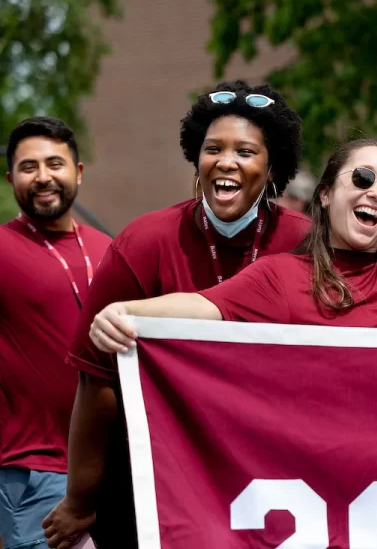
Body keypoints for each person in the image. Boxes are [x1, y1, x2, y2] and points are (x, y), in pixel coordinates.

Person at [42, 81, 309, 549]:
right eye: (213, 149)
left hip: (274, 469)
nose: (226, 161)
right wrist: (81, 499)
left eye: (246, 151)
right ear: (196, 159)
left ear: (272, 168)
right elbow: (96, 379)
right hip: (158, 470)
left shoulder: (308, 244)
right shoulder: (145, 240)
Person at [85, 138, 377, 352]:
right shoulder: (281, 277)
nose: (375, 192)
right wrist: (124, 312)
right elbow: (199, 305)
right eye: (362, 177)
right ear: (325, 194)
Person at [0, 118, 112, 549]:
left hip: (112, 471)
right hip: (33, 472)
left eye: (54, 163)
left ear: (77, 172)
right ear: (12, 179)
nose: (43, 176)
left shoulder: (109, 249)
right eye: (29, 167)